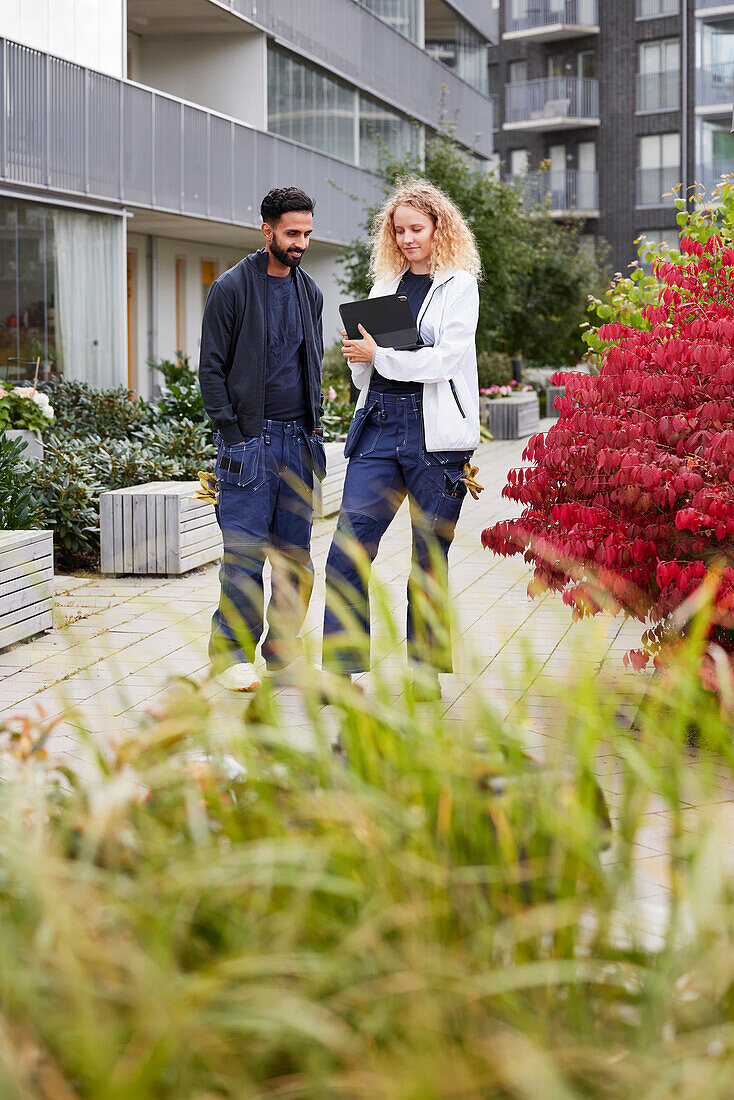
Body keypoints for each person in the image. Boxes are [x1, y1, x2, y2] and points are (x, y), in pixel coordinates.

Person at [322, 178, 481, 701]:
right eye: (400, 230)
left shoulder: (459, 286)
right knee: (349, 547)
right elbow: (369, 363)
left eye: (417, 228)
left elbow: (446, 360)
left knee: (429, 555)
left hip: (435, 437)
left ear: (439, 227)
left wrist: (380, 357)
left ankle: (424, 676)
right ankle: (339, 674)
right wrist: (360, 358)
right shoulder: (385, 288)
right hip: (380, 425)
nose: (409, 238)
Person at [199, 186, 325, 691]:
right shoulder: (231, 288)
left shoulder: (309, 291)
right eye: (292, 233)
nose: (301, 243)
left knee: (296, 562)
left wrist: (315, 426)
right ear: (267, 230)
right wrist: (234, 434)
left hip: (298, 442)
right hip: (249, 445)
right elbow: (210, 369)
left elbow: (310, 363)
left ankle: (283, 655)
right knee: (244, 556)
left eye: (307, 234)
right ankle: (230, 657)